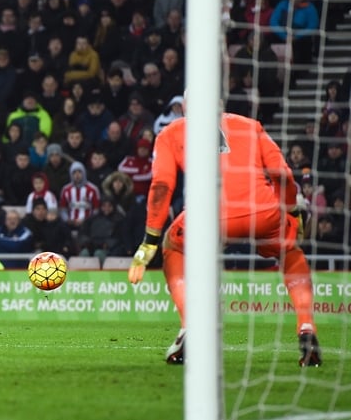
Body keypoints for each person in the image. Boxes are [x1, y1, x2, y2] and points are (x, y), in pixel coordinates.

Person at [127, 101, 321, 367]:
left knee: (173, 244)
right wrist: (292, 213)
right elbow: (283, 174)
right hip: (261, 211)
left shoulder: (171, 133)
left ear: (185, 108)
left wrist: (150, 240)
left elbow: (162, 186)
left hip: (209, 216)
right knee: (290, 251)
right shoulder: (251, 126)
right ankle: (307, 328)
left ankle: (190, 326)